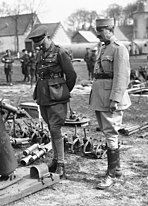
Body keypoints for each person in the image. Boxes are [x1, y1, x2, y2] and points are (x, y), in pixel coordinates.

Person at [28, 25, 77, 178]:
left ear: (47, 37)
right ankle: (55, 160)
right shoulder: (40, 54)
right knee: (51, 129)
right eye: (37, 43)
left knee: (55, 129)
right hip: (43, 97)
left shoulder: (60, 52)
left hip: (57, 98)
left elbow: (71, 75)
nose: (39, 46)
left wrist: (62, 91)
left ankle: (61, 164)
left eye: (41, 42)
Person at [89, 18, 131, 189]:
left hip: (110, 98)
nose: (98, 34)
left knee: (111, 134)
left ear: (110, 29)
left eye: (101, 30)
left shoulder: (118, 49)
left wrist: (115, 98)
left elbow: (122, 77)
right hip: (101, 97)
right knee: (108, 133)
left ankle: (111, 175)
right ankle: (117, 169)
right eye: (97, 30)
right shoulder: (104, 48)